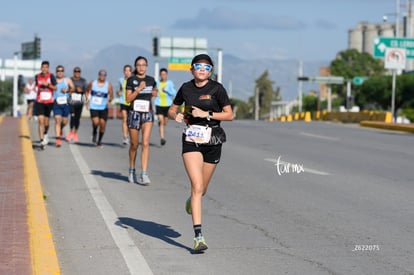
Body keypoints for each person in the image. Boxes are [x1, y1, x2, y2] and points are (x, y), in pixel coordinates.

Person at [168, 54, 233, 252]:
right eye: (198, 66)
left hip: (213, 139)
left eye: (206, 67)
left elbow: (229, 115)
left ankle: (191, 200)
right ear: (191, 69)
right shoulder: (186, 88)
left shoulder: (217, 89)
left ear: (211, 70)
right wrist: (175, 115)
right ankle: (198, 236)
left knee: (202, 189)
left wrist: (206, 114)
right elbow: (172, 109)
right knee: (196, 186)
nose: (202, 69)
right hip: (191, 140)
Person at [125, 56, 157, 185]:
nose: (141, 67)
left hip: (147, 113)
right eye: (138, 65)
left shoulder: (151, 80)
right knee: (134, 145)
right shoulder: (131, 80)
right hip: (134, 113)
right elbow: (128, 99)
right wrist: (138, 89)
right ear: (135, 66)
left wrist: (155, 93)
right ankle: (132, 170)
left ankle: (144, 173)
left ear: (147, 66)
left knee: (145, 143)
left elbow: (154, 92)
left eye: (143, 65)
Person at [85, 69, 114, 148]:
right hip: (94, 106)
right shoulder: (92, 83)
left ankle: (99, 141)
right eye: (101, 74)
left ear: (106, 76)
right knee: (95, 122)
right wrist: (87, 100)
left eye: (104, 75)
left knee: (102, 124)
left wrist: (109, 100)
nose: (102, 76)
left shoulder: (108, 85)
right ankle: (94, 132)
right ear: (98, 75)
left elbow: (111, 95)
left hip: (103, 107)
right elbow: (87, 91)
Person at [34, 61, 57, 148]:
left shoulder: (51, 76)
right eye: (43, 67)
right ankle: (41, 140)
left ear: (48, 68)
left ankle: (45, 133)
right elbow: (36, 86)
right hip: (40, 101)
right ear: (41, 68)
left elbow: (55, 88)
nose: (44, 69)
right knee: (40, 120)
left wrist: (47, 85)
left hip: (49, 102)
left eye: (46, 67)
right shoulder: (37, 76)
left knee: (46, 123)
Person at [53, 65, 74, 147]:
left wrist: (67, 90)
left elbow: (73, 88)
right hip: (56, 103)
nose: (60, 72)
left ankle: (61, 129)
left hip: (66, 103)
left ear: (63, 72)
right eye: (58, 70)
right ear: (56, 72)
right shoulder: (53, 80)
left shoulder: (67, 80)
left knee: (64, 121)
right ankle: (58, 140)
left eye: (61, 70)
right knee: (57, 120)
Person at [154, 68, 176, 146]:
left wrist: (166, 90)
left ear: (166, 75)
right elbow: (154, 91)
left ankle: (161, 124)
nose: (163, 76)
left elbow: (174, 93)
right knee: (161, 122)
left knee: (165, 122)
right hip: (159, 104)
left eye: (164, 74)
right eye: (162, 74)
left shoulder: (169, 83)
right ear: (160, 75)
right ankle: (162, 138)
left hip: (168, 105)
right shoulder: (157, 83)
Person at [66, 66, 88, 143]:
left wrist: (87, 101)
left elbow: (86, 91)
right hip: (71, 102)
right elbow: (67, 90)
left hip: (79, 103)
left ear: (80, 73)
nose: (77, 73)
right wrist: (73, 89)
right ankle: (70, 132)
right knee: (72, 117)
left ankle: (75, 133)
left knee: (77, 119)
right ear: (73, 72)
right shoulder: (70, 80)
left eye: (78, 72)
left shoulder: (83, 81)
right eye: (75, 71)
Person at [117, 65, 132, 145]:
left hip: (131, 103)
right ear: (123, 72)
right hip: (123, 102)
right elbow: (119, 90)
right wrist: (118, 92)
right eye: (125, 70)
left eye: (128, 71)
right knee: (125, 119)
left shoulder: (133, 80)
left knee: (130, 120)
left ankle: (131, 136)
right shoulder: (121, 80)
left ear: (131, 72)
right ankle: (125, 137)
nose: (127, 72)